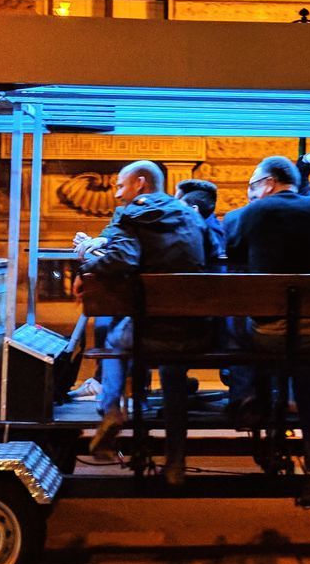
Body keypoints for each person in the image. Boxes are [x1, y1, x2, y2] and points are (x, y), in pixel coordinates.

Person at [75, 160, 209, 486]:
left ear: (139, 183)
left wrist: (86, 262)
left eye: (120, 186)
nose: (118, 195)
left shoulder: (131, 214)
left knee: (114, 338)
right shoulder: (191, 215)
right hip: (193, 331)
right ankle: (175, 461)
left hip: (148, 333)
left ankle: (111, 410)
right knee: (173, 378)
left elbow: (123, 259)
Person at [225, 155, 310, 508]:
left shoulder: (251, 213)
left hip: (269, 335)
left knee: (237, 327)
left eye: (253, 185)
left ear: (268, 182)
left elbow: (233, 255)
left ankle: (254, 401)